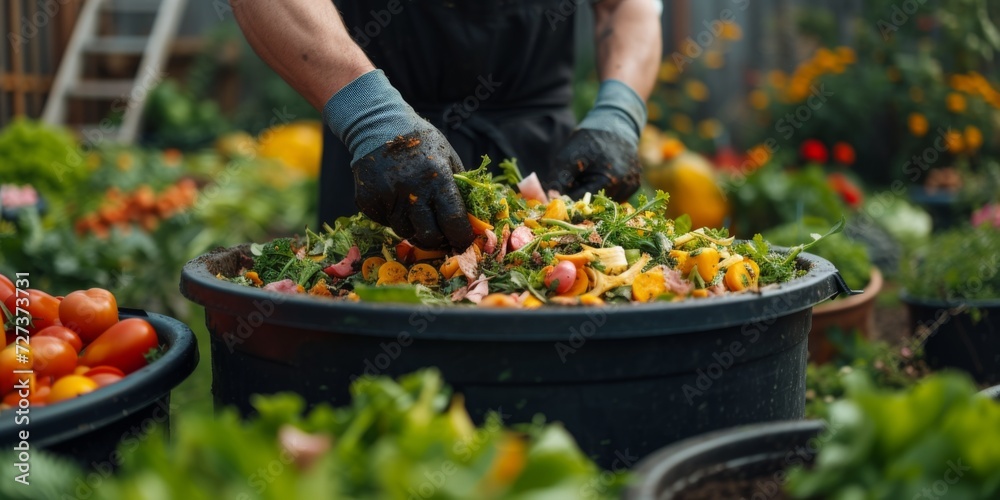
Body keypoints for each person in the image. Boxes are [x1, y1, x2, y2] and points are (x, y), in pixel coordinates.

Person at [231, 0, 661, 249]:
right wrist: (370, 115)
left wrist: (618, 114)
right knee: (367, 342)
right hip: (381, 151)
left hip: (543, 165)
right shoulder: (375, 122)